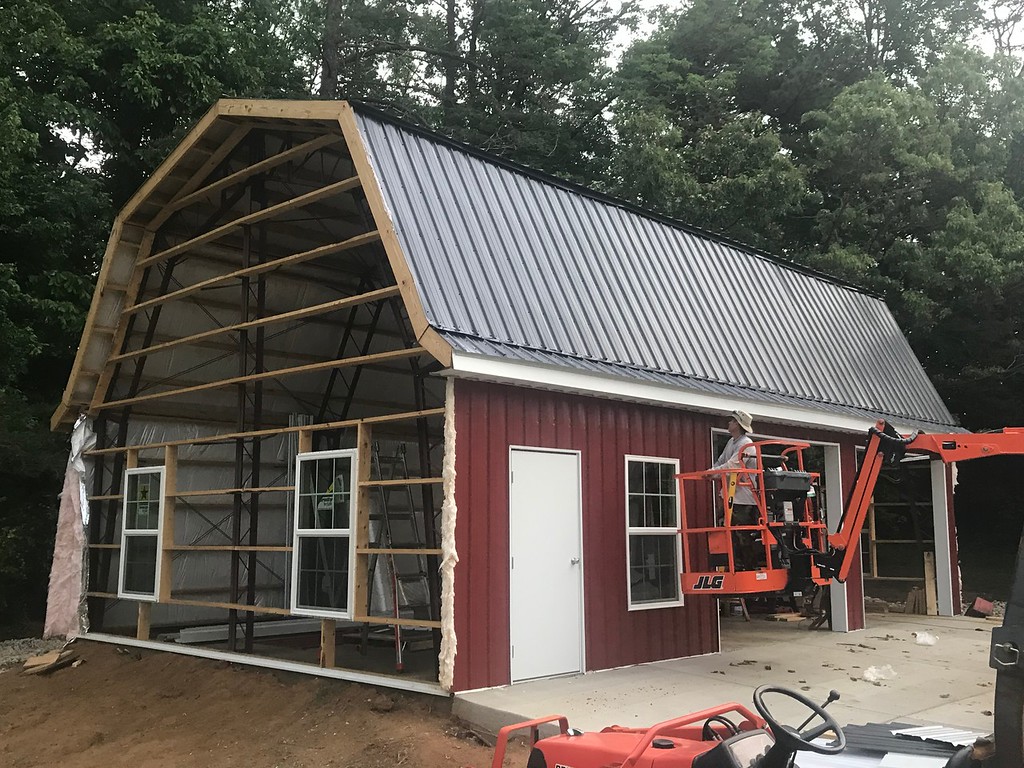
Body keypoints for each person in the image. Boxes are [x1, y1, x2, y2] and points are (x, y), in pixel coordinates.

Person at [711, 410, 762, 567]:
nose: (729, 423)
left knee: (742, 534)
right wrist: (712, 471)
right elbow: (721, 461)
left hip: (743, 499)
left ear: (738, 425)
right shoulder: (731, 442)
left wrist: (712, 473)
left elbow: (733, 465)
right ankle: (734, 564)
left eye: (732, 421)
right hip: (730, 495)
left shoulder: (746, 444)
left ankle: (746, 566)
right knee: (727, 529)